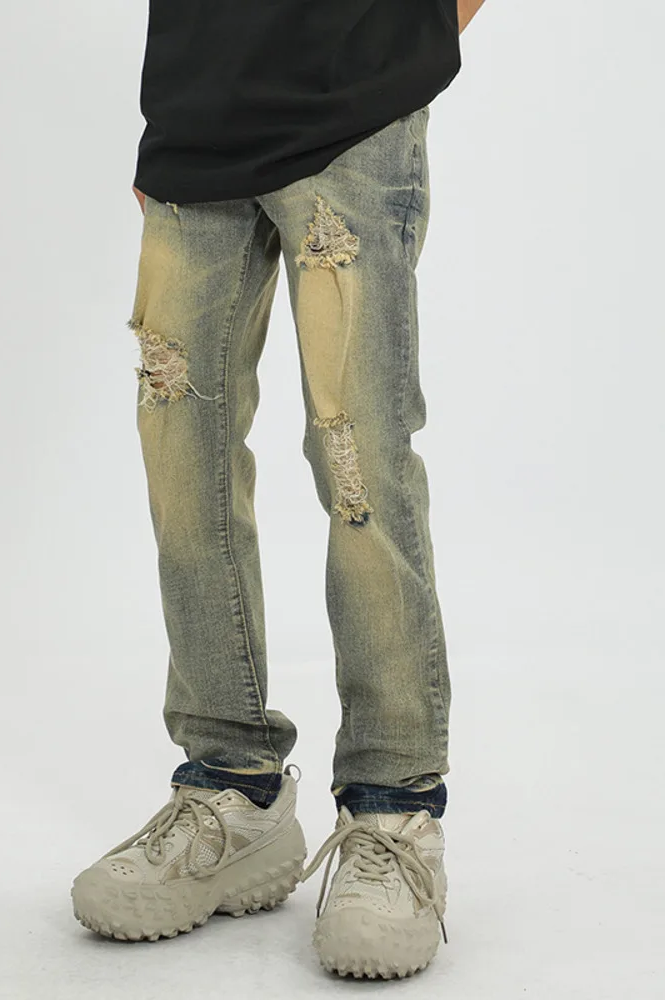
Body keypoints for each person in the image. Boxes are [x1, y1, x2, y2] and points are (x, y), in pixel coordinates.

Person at [72, 0, 486, 980]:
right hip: (196, 116)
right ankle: (232, 789)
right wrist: (178, 102)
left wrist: (414, 34)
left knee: (359, 460)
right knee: (183, 461)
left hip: (357, 106)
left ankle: (393, 811)